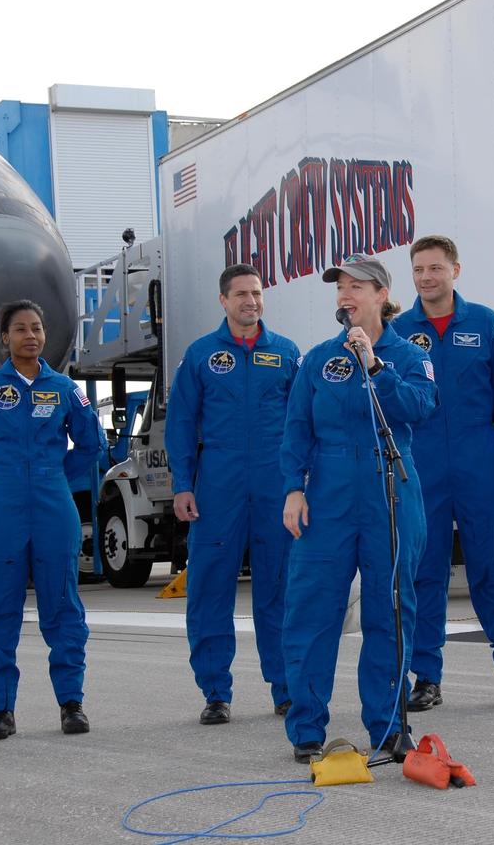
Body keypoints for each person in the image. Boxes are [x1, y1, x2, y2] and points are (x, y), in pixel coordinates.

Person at [280, 253, 437, 762]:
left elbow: (419, 407)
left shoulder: (409, 354)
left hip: (389, 484)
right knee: (311, 608)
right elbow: (296, 429)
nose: (345, 296)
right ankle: (306, 726)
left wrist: (375, 365)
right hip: (326, 490)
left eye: (357, 287)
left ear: (382, 297)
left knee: (390, 610)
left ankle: (388, 725)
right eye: (340, 287)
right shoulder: (317, 359)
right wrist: (293, 488)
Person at [0, 299, 106, 741]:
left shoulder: (65, 390)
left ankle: (71, 704)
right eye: (20, 329)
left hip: (54, 507)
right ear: (5, 337)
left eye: (37, 328)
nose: (31, 336)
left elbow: (91, 445)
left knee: (63, 605)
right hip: (3, 508)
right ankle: (1, 710)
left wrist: (54, 477)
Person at [394, 235, 494, 711]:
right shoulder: (398, 331)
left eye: (435, 268)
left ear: (456, 269)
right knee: (424, 572)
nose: (427, 277)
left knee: (491, 569)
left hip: (478, 462)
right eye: (419, 270)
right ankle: (426, 676)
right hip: (421, 467)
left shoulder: (486, 324)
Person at [166, 264, 301, 725]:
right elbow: (181, 424)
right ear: (223, 300)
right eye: (241, 294)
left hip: (274, 483)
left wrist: (301, 485)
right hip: (218, 484)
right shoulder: (201, 355)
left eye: (257, 293)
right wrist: (183, 484)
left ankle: (286, 689)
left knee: (279, 588)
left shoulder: (286, 353)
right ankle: (215, 692)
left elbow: (304, 424)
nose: (251, 301)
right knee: (209, 588)